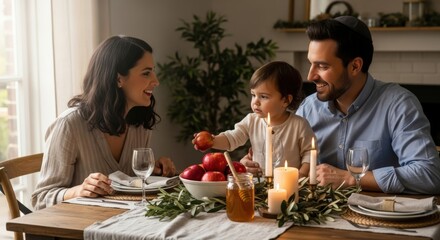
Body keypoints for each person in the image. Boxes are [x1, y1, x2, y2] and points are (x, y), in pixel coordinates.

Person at [295, 16, 440, 194]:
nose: (311, 76)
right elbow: (291, 165)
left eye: (323, 66)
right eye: (311, 64)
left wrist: (351, 178)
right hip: (319, 217)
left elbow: (430, 175)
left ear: (355, 66)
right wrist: (262, 163)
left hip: (382, 218)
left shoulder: (398, 105)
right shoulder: (309, 108)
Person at [32, 35, 177, 210]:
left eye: (153, 71)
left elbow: (128, 185)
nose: (156, 81)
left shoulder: (139, 125)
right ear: (118, 79)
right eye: (146, 73)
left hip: (124, 225)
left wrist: (151, 171)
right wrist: (79, 191)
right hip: (81, 230)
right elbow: (40, 199)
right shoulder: (70, 124)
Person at [193, 61, 316, 178]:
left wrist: (301, 175)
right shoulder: (252, 120)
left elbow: (309, 153)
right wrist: (212, 141)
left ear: (285, 100)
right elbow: (232, 138)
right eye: (253, 95)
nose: (255, 102)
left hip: (288, 186)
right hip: (259, 184)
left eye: (263, 96)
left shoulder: (299, 125)